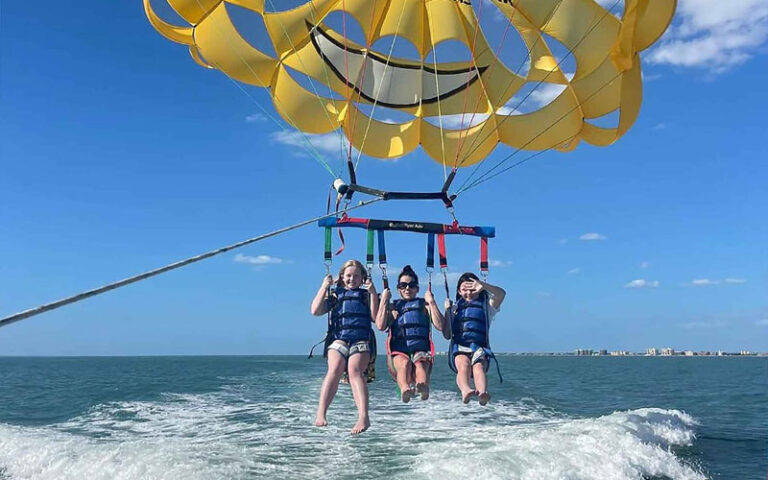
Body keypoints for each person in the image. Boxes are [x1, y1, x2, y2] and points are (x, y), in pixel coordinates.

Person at [310, 259, 379, 434]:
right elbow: (315, 311)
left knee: (354, 370)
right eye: (348, 275)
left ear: (362, 278)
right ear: (341, 277)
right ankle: (321, 413)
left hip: (360, 341)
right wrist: (324, 286)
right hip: (339, 339)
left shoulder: (365, 295)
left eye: (356, 276)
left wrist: (373, 293)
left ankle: (363, 416)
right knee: (335, 368)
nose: (352, 279)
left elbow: (375, 318)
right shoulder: (334, 295)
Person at [376, 265, 446, 402]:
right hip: (399, 350)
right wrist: (384, 300)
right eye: (403, 285)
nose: (407, 288)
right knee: (405, 364)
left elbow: (440, 326)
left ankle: (423, 387)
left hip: (421, 349)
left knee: (420, 364)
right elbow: (380, 325)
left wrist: (431, 301)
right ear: (398, 289)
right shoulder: (393, 308)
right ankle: (404, 389)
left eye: (411, 285)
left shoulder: (425, 306)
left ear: (417, 289)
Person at [443, 273, 505, 406]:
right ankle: (465, 390)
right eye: (464, 290)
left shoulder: (487, 305)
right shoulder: (454, 308)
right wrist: (447, 311)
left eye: (472, 289)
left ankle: (482, 392)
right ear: (459, 291)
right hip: (459, 347)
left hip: (479, 347)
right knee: (463, 364)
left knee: (478, 367)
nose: (468, 293)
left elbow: (501, 293)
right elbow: (447, 334)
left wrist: (483, 285)